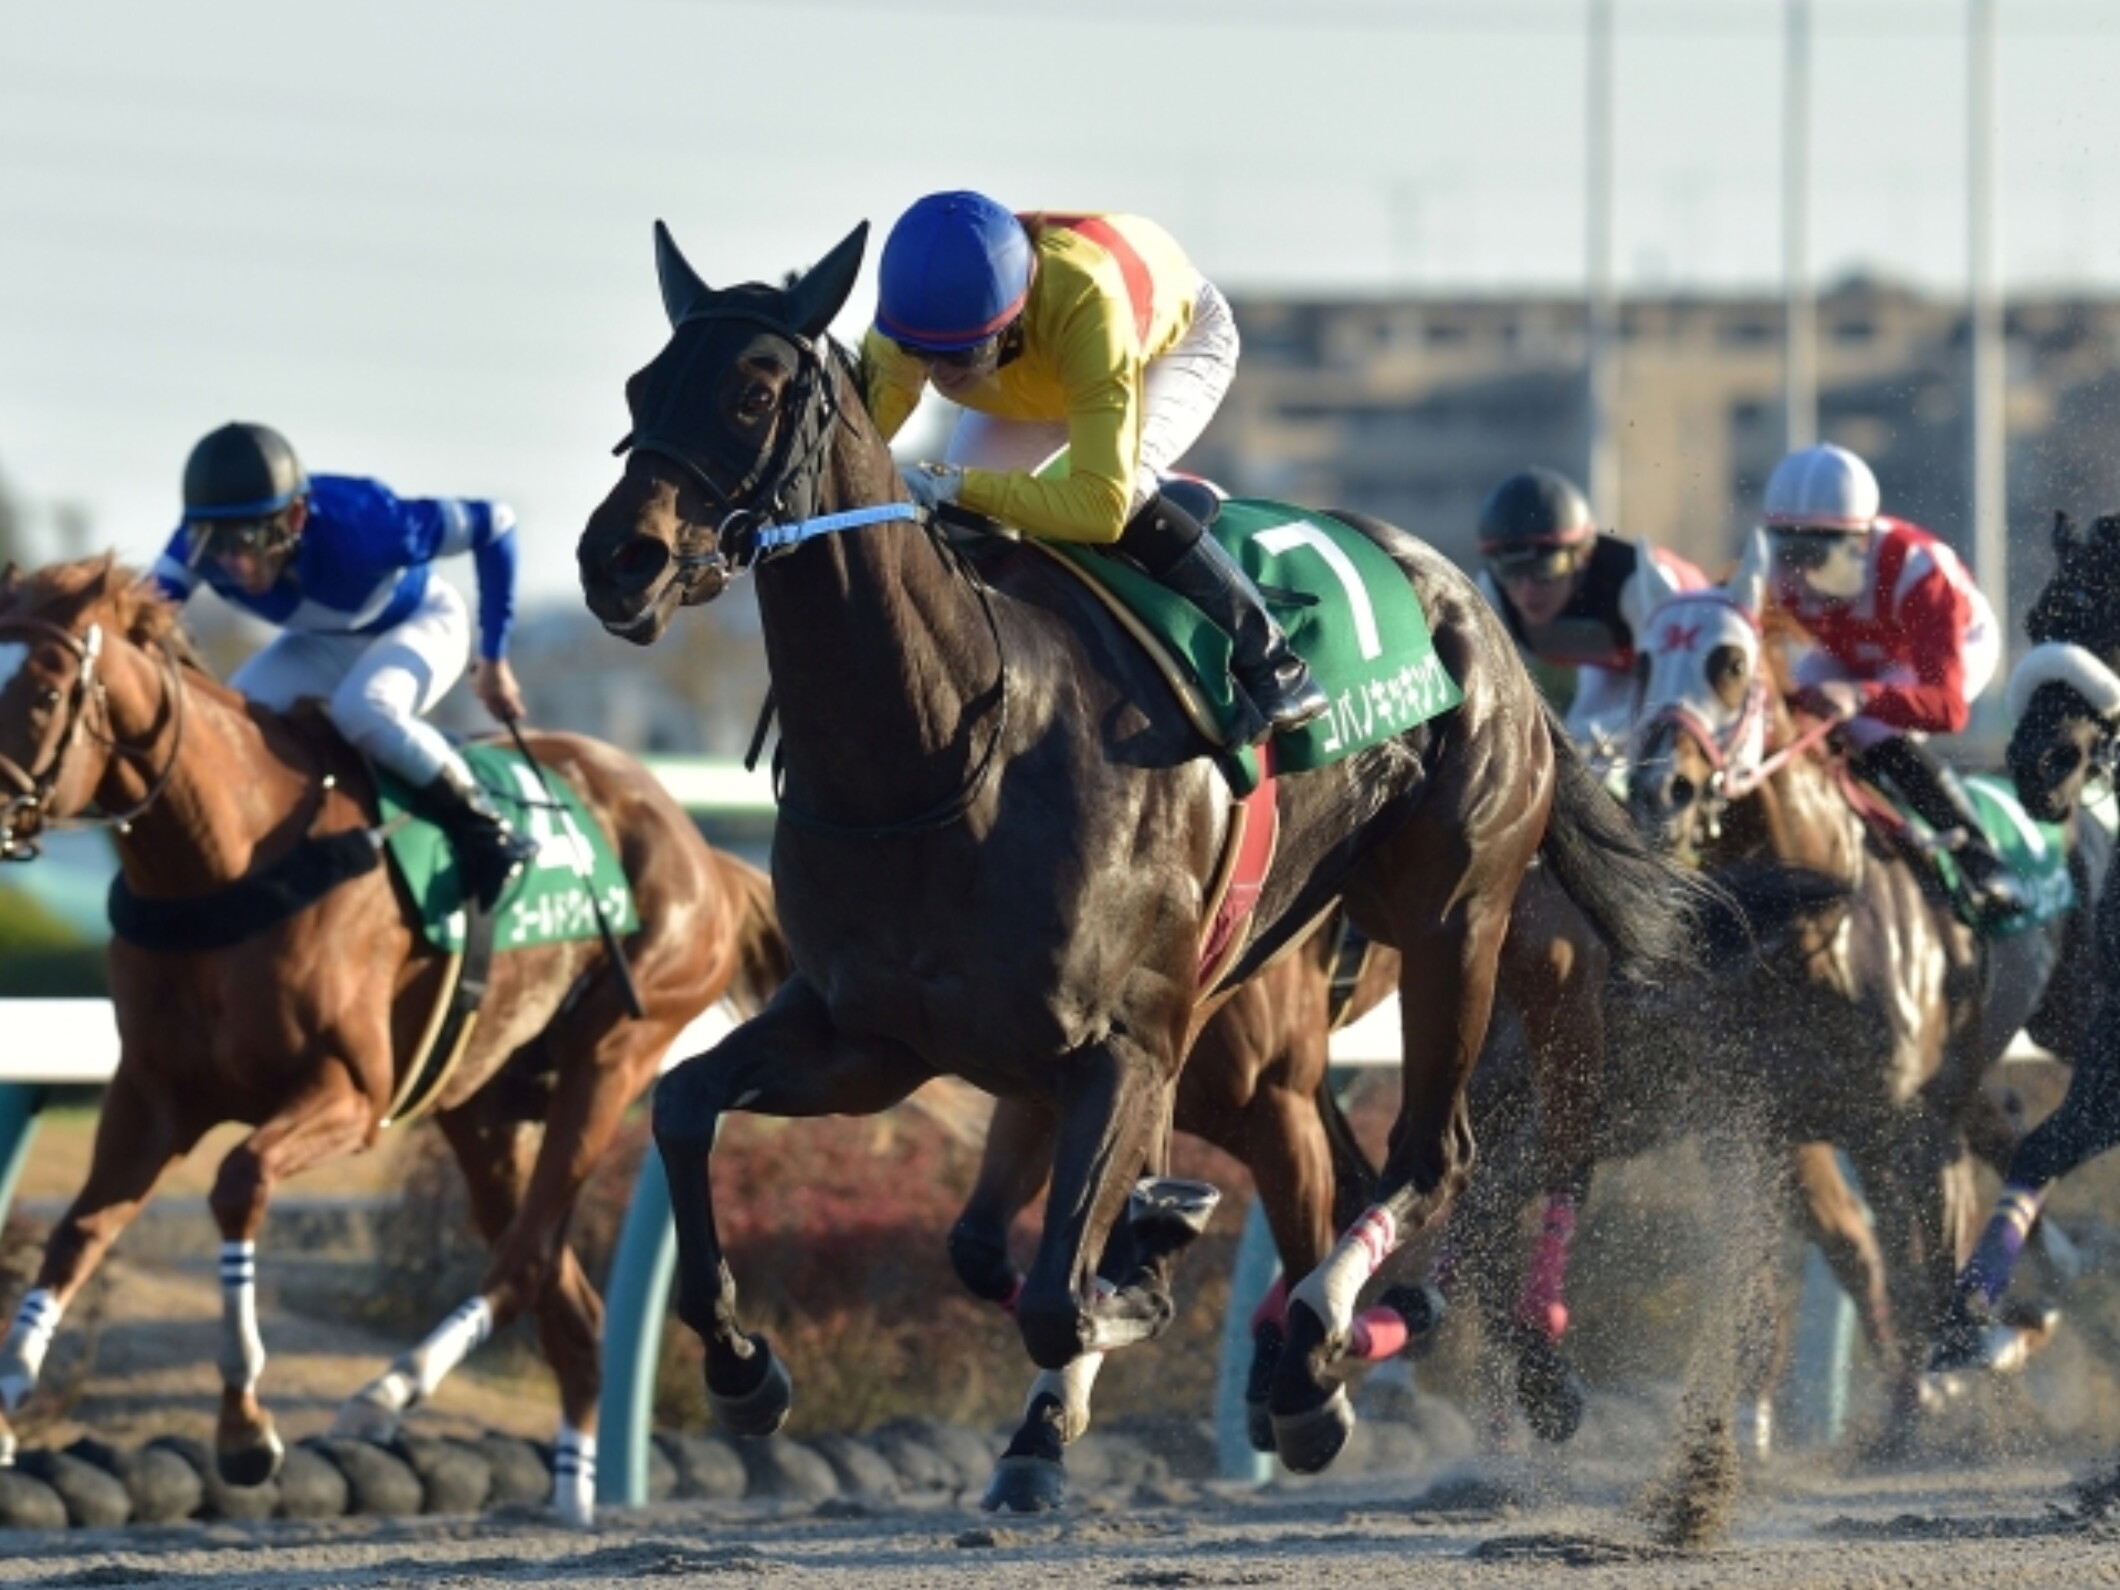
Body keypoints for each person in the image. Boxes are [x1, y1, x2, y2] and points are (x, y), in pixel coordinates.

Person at [860, 190, 1327, 740]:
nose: (936, 373)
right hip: (1033, 376)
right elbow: (855, 453)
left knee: (1126, 493)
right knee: (960, 529)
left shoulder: (1085, 297)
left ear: (1011, 320)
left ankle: (1274, 664)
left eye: (959, 355)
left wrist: (954, 482)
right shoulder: (912, 320)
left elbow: (1100, 508)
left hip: (1161, 349)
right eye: (918, 353)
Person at [151, 421, 538, 909]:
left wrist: (494, 657)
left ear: (294, 518)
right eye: (216, 541)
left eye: (249, 538)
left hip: (421, 621)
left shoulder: (369, 525)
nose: (235, 564)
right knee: (235, 720)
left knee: (365, 710)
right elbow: (132, 614)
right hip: (323, 640)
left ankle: (488, 827)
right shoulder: (195, 545)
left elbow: (497, 523)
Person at [1759, 441, 2027, 924]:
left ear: (1860, 541)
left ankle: (1981, 860)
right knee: (1783, 717)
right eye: (1788, 550)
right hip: (1851, 653)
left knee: (1869, 729)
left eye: (1813, 553)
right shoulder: (1779, 571)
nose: (1796, 573)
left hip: (1947, 652)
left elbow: (1946, 708)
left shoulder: (1922, 574)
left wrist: (1863, 695)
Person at [1473, 466, 1706, 770]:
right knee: (1577, 747)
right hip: (1610, 665)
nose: (1527, 589)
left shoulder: (1634, 584)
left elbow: (1670, 699)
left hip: (1687, 659)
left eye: (1547, 568)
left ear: (1582, 556)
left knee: (1612, 751)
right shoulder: (1492, 592)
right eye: (1511, 572)